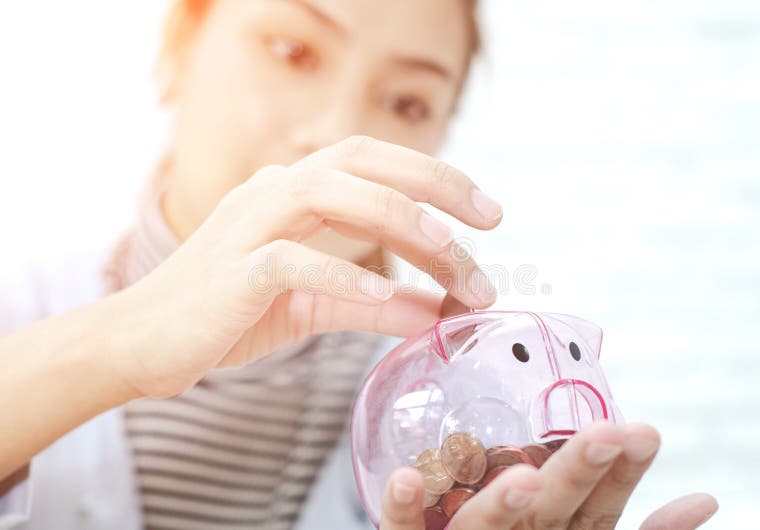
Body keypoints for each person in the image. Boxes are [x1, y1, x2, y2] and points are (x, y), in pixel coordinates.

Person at [0, 1, 718, 529]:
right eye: (292, 50)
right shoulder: (21, 303)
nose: (332, 131)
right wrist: (115, 347)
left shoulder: (472, 420)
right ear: (175, 47)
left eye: (407, 100)